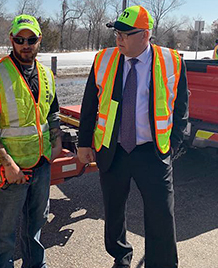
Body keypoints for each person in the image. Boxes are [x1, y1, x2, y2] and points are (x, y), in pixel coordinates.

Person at [77, 5, 188, 268]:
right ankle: (121, 256)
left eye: (125, 35)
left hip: (153, 152)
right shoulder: (104, 59)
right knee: (113, 213)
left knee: (161, 214)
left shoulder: (172, 61)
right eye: (117, 34)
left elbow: (181, 105)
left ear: (145, 35)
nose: (118, 40)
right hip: (113, 151)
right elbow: (90, 104)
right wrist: (83, 144)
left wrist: (174, 144)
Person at [0, 14, 62, 268]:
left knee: (35, 230)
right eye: (20, 39)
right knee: (4, 237)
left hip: (41, 165)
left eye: (31, 39)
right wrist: (7, 163)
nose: (26, 44)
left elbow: (52, 113)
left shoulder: (47, 75)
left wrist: (56, 143)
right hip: (11, 172)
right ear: (11, 40)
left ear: (39, 40)